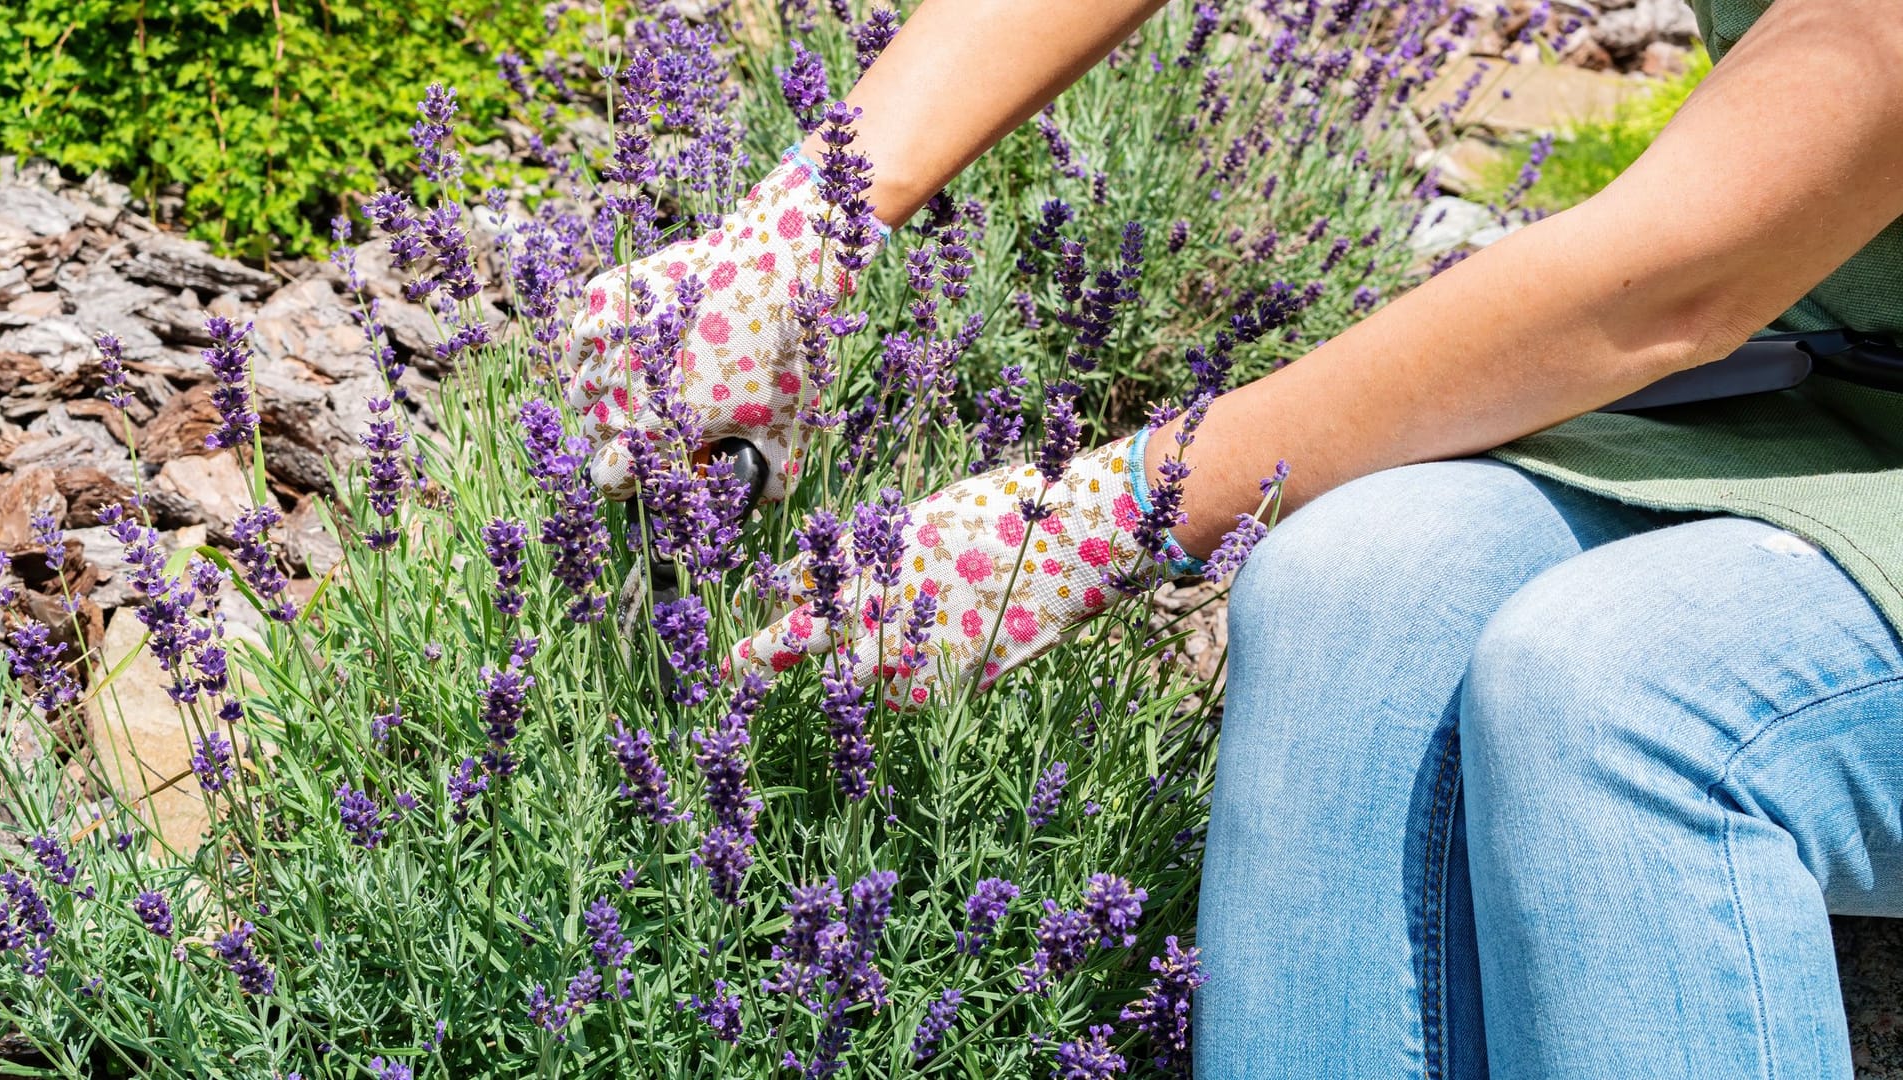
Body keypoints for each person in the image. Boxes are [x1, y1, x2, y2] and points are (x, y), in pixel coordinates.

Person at [566, 1, 1903, 1074]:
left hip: (1775, 340)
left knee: (1625, 693)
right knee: (1352, 584)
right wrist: (808, 219)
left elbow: (1688, 272)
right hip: (1837, 399)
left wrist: (1097, 511)